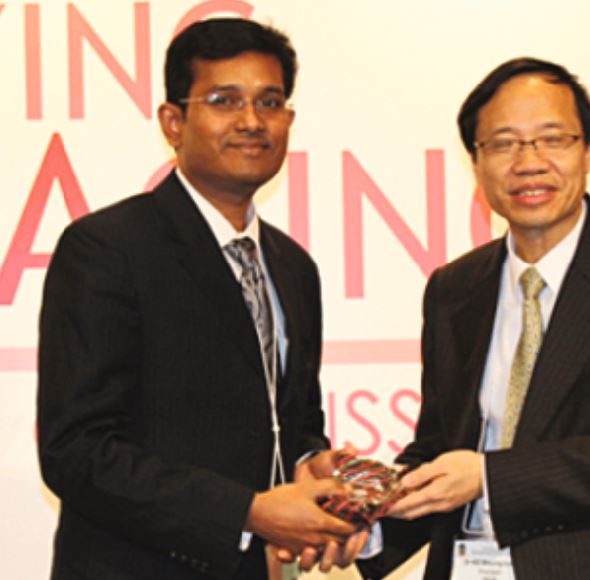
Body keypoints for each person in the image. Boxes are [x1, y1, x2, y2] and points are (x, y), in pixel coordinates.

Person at [361, 57, 590, 579]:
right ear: (475, 161)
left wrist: (491, 478)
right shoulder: (453, 288)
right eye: (503, 144)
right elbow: (443, 449)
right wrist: (368, 518)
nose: (528, 162)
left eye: (553, 139)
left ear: (588, 150)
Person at [37, 18, 363, 580]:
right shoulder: (108, 248)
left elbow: (292, 419)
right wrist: (247, 513)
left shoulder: (293, 267)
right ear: (173, 122)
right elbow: (78, 451)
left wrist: (308, 462)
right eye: (224, 101)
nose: (252, 120)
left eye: (270, 102)